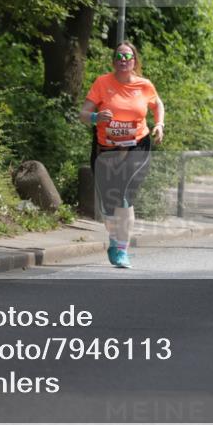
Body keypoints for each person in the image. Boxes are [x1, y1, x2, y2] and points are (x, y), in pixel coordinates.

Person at [80, 42, 164, 269]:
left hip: (138, 144)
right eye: (119, 56)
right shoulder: (102, 83)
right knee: (109, 204)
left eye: (128, 56)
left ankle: (122, 249)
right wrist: (96, 117)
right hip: (106, 149)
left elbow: (157, 104)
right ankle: (114, 240)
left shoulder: (144, 85)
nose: (123, 60)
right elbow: (83, 114)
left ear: (134, 60)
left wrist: (160, 124)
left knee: (126, 195)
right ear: (113, 61)